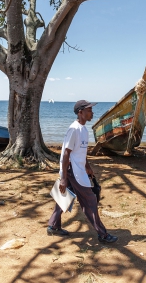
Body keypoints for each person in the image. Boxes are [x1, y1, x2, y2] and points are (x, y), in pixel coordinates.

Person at [47, 100, 118, 244]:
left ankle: (53, 225)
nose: (92, 113)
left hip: (78, 169)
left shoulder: (84, 129)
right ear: (80, 112)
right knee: (90, 201)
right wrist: (63, 178)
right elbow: (66, 154)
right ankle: (102, 234)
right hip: (72, 170)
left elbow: (81, 152)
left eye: (91, 110)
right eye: (89, 110)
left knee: (64, 196)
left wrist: (88, 166)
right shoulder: (74, 129)